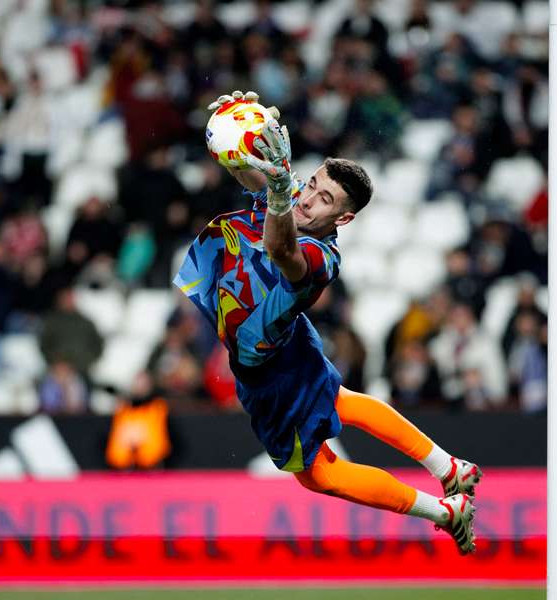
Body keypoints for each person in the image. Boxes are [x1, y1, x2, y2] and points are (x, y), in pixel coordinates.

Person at [174, 91, 481, 554]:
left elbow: (281, 250)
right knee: (341, 400)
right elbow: (244, 170)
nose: (307, 200)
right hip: (288, 347)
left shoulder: (321, 257)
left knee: (320, 475)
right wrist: (231, 130)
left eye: (324, 199)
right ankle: (448, 468)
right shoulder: (288, 194)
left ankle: (444, 511)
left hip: (273, 375)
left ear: (344, 217)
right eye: (312, 184)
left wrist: (278, 193)